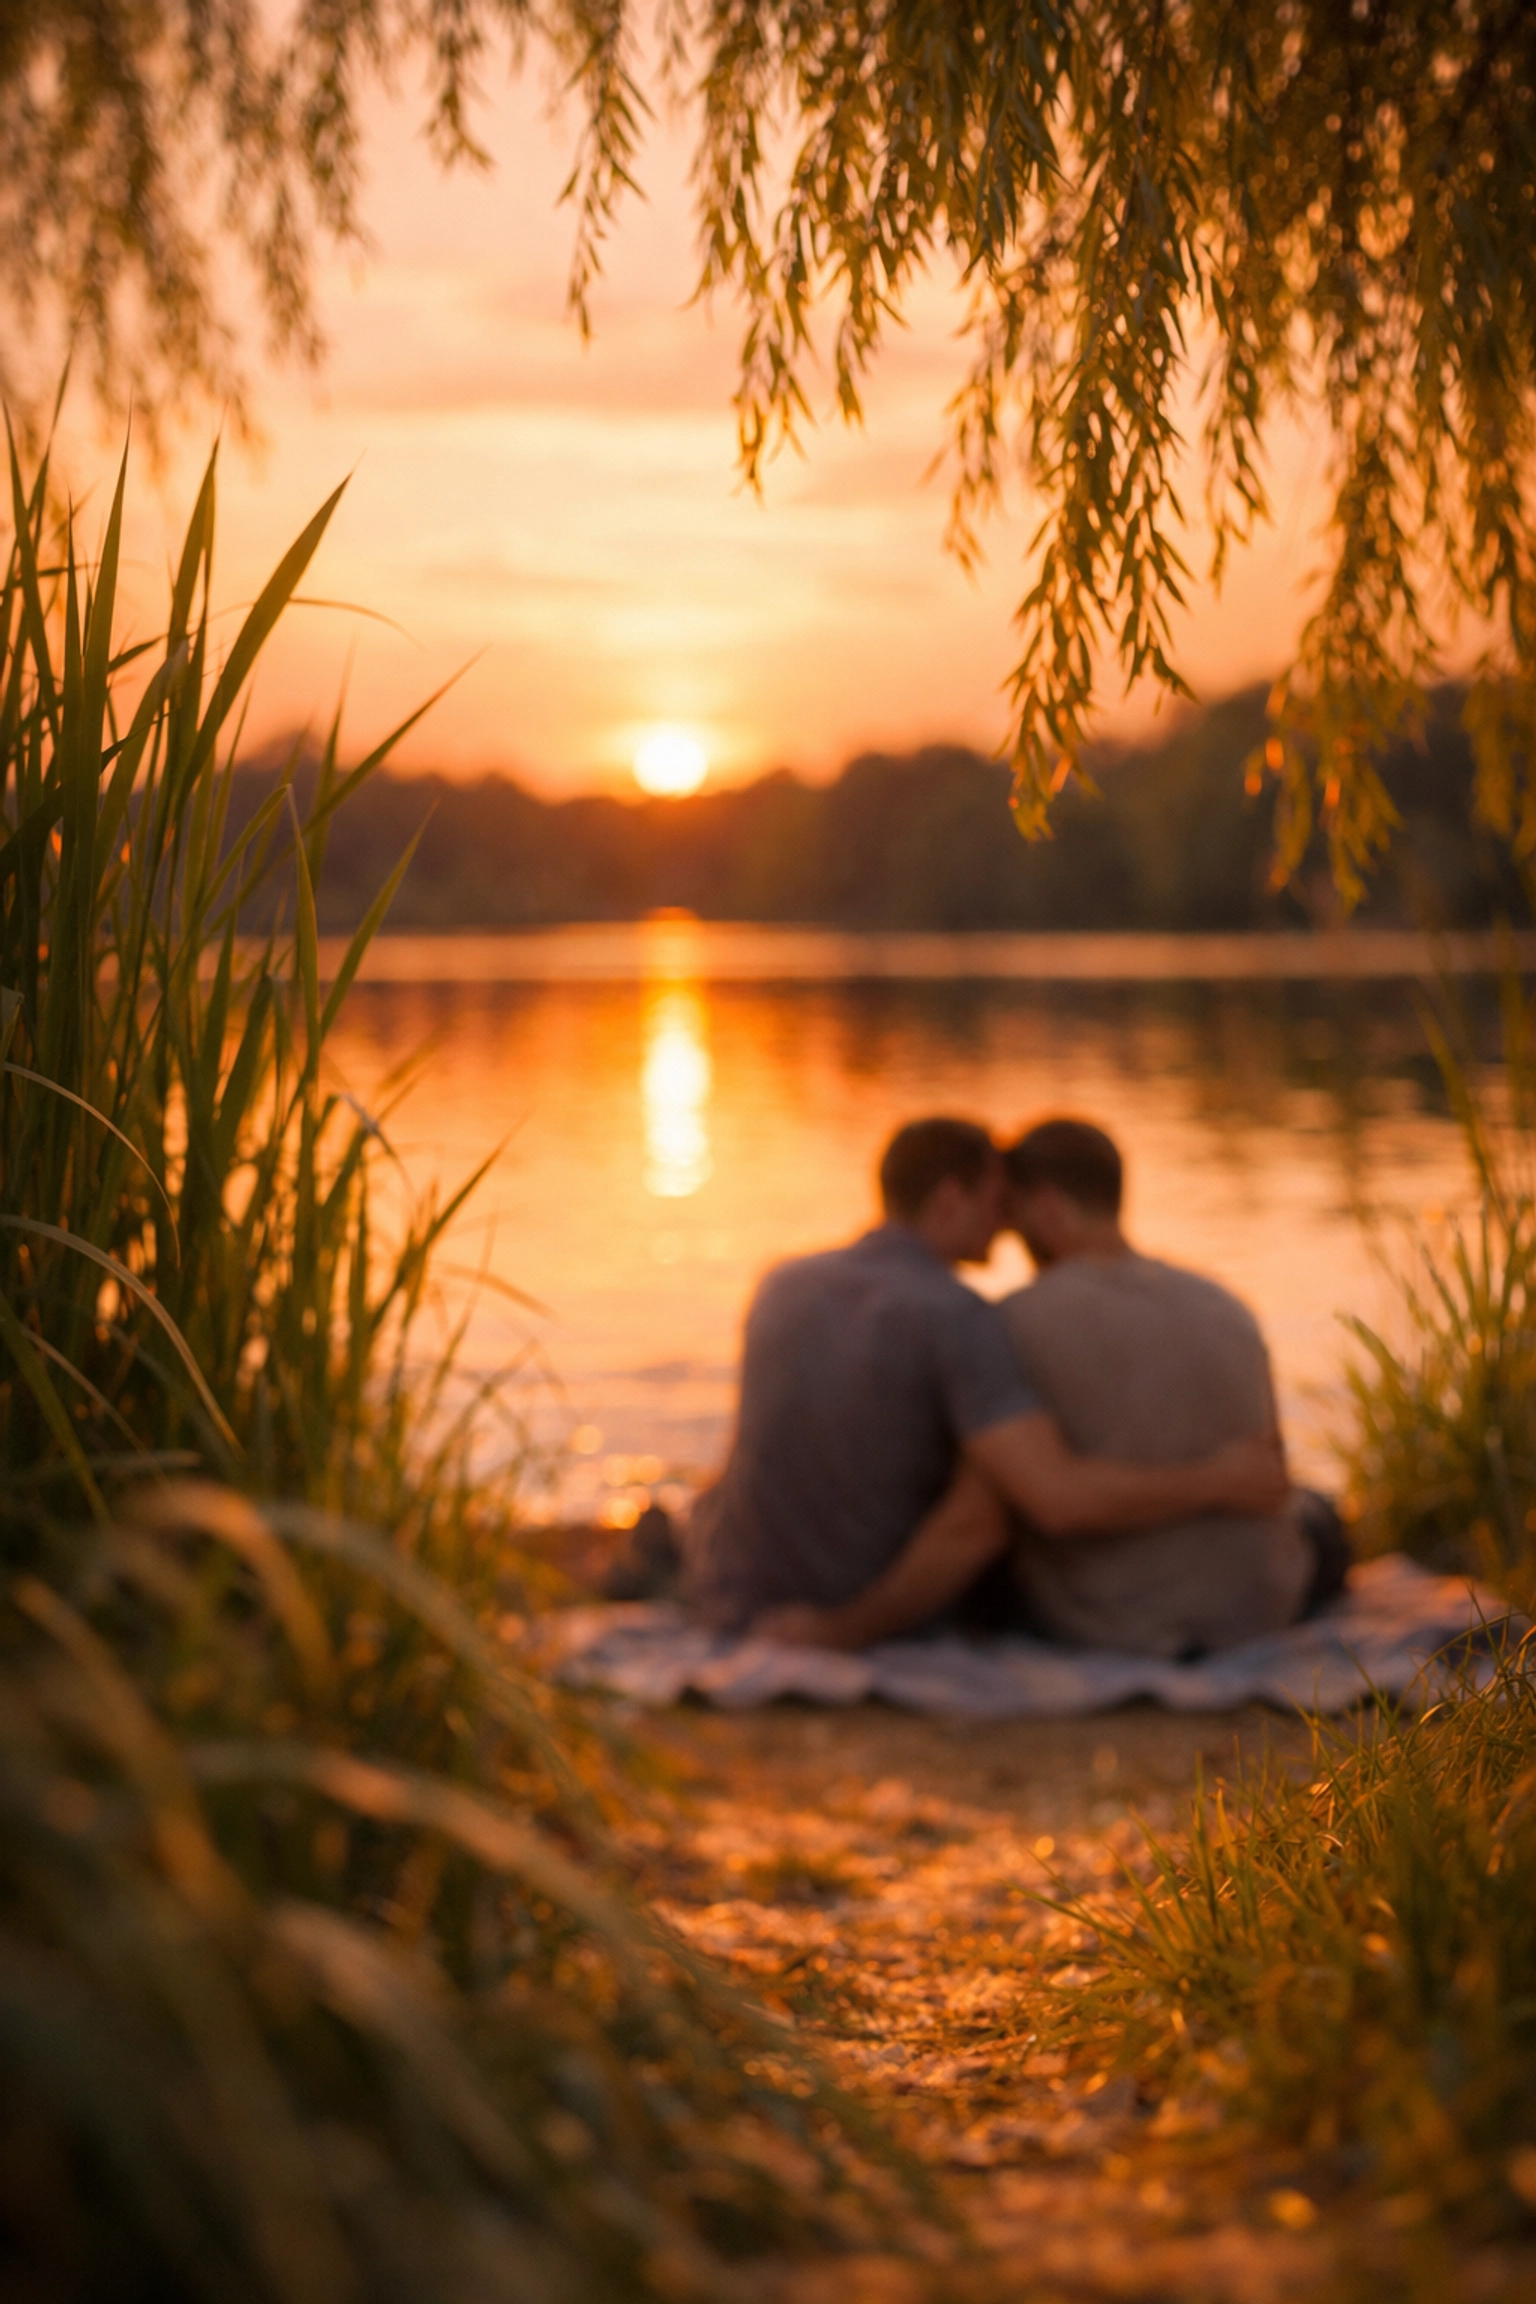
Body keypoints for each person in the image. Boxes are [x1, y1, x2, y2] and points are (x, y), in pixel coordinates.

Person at [682, 1115, 1290, 1639]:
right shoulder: (959, 1315)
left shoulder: (780, 1282)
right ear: (950, 1199)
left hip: (735, 1586)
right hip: (866, 1605)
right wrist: (1221, 1480)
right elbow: (1044, 1500)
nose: (1004, 1231)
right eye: (996, 1205)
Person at [990, 1116, 1349, 1658]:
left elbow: (1044, 1503)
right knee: (1319, 1512)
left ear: (1047, 1209)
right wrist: (1216, 1483)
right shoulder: (1225, 1305)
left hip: (1112, 1623)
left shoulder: (1013, 1321)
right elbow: (1269, 1476)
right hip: (1262, 1610)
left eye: (1016, 1224)